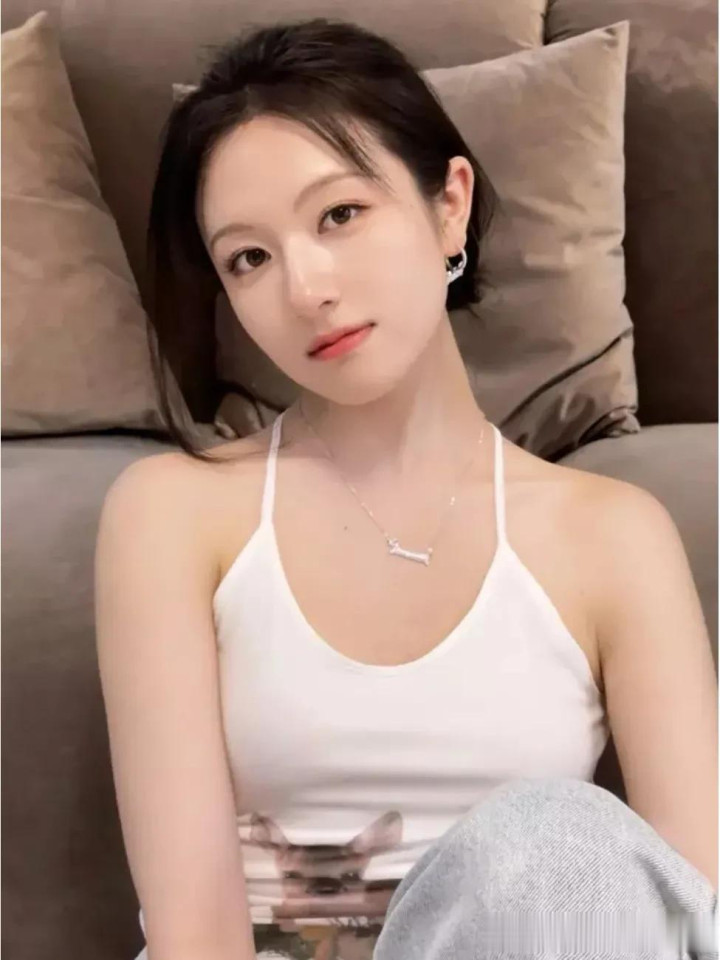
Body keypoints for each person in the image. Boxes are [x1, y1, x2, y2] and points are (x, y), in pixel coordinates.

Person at [94, 16, 718, 960]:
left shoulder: (612, 535)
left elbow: (690, 911)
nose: (305, 288)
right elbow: (193, 937)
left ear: (448, 205)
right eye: (249, 258)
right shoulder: (173, 513)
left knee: (557, 841)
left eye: (339, 215)